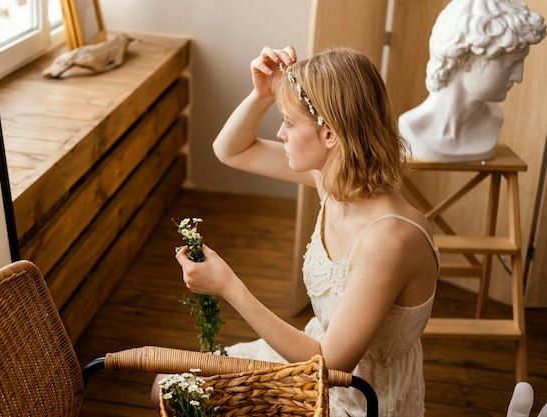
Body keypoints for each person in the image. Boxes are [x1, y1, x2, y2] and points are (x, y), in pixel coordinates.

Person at [158, 45, 440, 417]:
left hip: (357, 395)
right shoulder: (331, 179)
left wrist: (229, 288)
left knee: (188, 402)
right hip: (311, 353)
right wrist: (264, 93)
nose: (279, 133)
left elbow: (333, 366)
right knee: (166, 386)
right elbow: (230, 151)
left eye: (289, 122)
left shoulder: (389, 240)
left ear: (329, 135)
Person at [398, 0, 545, 163]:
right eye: (510, 63)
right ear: (466, 59)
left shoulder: (494, 121)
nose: (519, 76)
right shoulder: (411, 128)